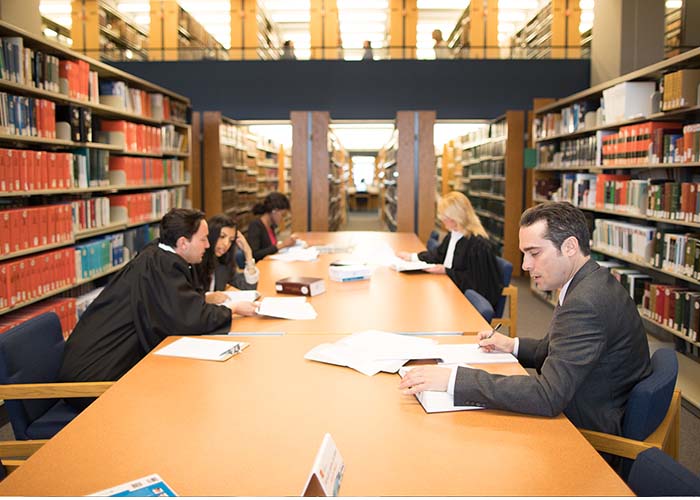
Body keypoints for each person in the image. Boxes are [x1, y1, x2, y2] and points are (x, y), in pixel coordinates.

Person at [399, 201, 652, 465]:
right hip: (586, 399)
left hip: (587, 434)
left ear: (569, 247)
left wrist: (453, 379)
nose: (526, 265)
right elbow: (558, 349)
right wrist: (512, 345)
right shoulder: (589, 281)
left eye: (534, 253)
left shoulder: (586, 303)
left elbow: (547, 395)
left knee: (471, 452)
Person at [58, 208, 258, 409]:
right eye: (203, 239)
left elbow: (183, 306)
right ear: (182, 243)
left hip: (102, 367)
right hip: (96, 377)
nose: (208, 245)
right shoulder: (162, 266)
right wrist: (232, 308)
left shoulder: (159, 255)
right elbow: (189, 318)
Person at [396, 191, 503, 308]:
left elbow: (476, 283)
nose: (442, 220)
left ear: (457, 218)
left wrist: (446, 271)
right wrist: (412, 257)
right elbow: (438, 255)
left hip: (463, 301)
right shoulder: (454, 234)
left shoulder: (477, 245)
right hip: (448, 288)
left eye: (444, 217)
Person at [194, 214, 260, 305]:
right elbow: (183, 299)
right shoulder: (194, 260)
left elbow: (249, 288)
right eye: (222, 237)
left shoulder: (223, 263)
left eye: (231, 240)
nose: (226, 244)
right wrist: (206, 298)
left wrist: (248, 253)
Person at [247, 191, 297, 261]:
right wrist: (281, 245)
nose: (282, 219)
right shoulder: (255, 226)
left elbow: (270, 248)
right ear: (274, 211)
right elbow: (254, 254)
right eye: (282, 215)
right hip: (261, 267)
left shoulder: (271, 226)